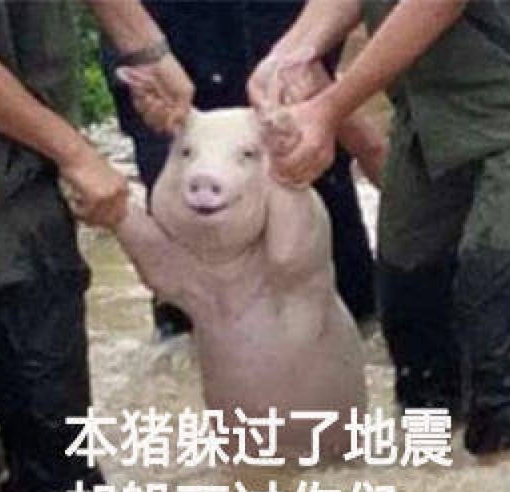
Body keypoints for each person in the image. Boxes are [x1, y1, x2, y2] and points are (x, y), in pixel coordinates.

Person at [250, 0, 510, 454]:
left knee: (505, 362)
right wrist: (292, 53)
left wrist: (330, 108)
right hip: (428, 124)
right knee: (419, 360)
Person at [0, 0, 192, 492]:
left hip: (22, 175)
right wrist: (75, 154)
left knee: (65, 484)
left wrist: (146, 49)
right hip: (0, 149)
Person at [101, 1, 387, 339]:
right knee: (188, 281)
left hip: (285, 28)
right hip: (164, 36)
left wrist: (332, 104)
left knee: (322, 266)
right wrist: (141, 45)